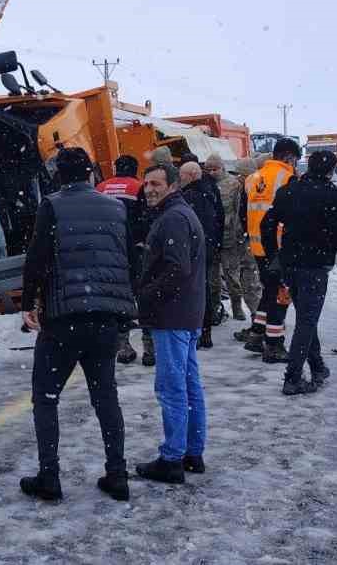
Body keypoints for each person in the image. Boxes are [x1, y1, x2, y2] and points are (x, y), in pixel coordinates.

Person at [17, 148, 134, 503]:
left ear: (59, 176)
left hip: (65, 317)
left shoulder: (52, 205)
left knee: (46, 396)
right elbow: (125, 256)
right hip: (106, 318)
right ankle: (117, 473)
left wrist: (27, 303)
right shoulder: (116, 208)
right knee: (105, 395)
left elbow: (37, 257)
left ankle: (49, 476)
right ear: (90, 174)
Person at [133, 163, 208, 484]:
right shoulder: (179, 214)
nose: (149, 189)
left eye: (156, 184)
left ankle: (173, 458)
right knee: (189, 384)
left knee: (172, 387)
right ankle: (192, 452)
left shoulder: (174, 218)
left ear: (173, 185)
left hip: (173, 316)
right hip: (185, 313)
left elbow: (178, 269)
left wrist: (145, 295)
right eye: (146, 183)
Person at [261, 151, 337, 395]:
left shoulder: (288, 191)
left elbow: (267, 223)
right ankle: (292, 378)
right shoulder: (332, 194)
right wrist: (328, 246)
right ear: (330, 170)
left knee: (305, 314)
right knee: (307, 319)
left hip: (290, 264)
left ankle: (317, 366)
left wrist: (275, 255)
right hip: (314, 267)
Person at [243, 138, 300, 363]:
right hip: (280, 248)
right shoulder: (289, 178)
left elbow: (243, 213)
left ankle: (257, 334)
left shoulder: (252, 178)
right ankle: (274, 345)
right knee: (280, 295)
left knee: (269, 290)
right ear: (289, 157)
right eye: (295, 159)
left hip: (258, 246)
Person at [99, 155, 149, 365]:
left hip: (108, 252)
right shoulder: (139, 187)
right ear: (135, 169)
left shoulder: (101, 187)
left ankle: (123, 346)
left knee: (118, 299)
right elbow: (145, 217)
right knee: (144, 296)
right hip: (134, 250)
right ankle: (149, 348)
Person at [178, 161, 223, 349]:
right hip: (209, 245)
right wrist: (216, 244)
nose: (180, 179)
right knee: (204, 287)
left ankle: (198, 330)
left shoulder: (189, 195)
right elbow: (220, 217)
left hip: (195, 248)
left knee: (194, 289)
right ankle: (206, 331)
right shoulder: (212, 189)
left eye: (182, 176)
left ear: (191, 175)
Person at [209, 155, 259, 323]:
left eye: (215, 168)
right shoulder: (207, 184)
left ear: (222, 168)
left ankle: (237, 307)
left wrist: (238, 233)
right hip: (212, 238)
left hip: (229, 238)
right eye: (209, 169)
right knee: (213, 279)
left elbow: (239, 211)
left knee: (232, 276)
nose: (212, 172)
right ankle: (216, 308)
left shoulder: (234, 184)